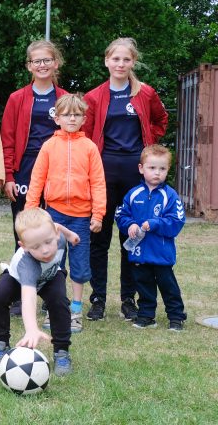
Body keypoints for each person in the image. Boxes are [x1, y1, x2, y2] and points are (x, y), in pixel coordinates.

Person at [83, 38, 169, 322]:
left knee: (130, 236)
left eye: (126, 60)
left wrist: (147, 144)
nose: (120, 64)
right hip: (104, 173)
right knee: (99, 237)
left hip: (135, 176)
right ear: (106, 61)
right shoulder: (94, 97)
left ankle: (128, 299)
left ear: (133, 62)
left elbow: (160, 120)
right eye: (115, 59)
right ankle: (98, 298)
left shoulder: (145, 93)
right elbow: (85, 132)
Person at [25, 93, 106, 334]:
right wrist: (31, 210)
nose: (72, 118)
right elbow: (37, 178)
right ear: (57, 118)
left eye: (77, 114)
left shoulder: (90, 148)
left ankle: (77, 310)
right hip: (54, 217)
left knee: (80, 265)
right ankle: (54, 308)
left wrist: (98, 214)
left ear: (84, 118)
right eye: (67, 114)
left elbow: (98, 183)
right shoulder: (49, 146)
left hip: (81, 217)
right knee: (53, 263)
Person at [0, 40, 69, 316]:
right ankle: (19, 292)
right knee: (26, 232)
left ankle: (55, 297)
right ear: (29, 66)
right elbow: (7, 139)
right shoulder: (17, 98)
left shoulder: (64, 98)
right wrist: (8, 175)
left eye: (46, 60)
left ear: (56, 63)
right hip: (25, 170)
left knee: (56, 232)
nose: (42, 65)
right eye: (36, 61)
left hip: (57, 171)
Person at [0, 207, 79, 376]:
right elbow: (28, 298)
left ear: (55, 234)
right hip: (19, 279)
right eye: (36, 246)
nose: (45, 250)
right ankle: (1, 344)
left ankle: (62, 353)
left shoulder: (55, 234)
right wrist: (31, 329)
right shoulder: (27, 264)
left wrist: (71, 235)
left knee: (59, 301)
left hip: (50, 276)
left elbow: (58, 226)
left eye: (48, 242)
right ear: (24, 246)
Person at [115, 145, 187, 331]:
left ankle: (176, 316)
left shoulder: (169, 196)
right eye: (152, 168)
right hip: (139, 252)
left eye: (162, 169)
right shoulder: (133, 194)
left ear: (167, 170)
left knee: (167, 285)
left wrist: (156, 223)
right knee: (143, 285)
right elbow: (121, 215)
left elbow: (177, 222)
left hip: (161, 253)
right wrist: (129, 224)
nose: (157, 173)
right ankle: (147, 315)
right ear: (141, 168)